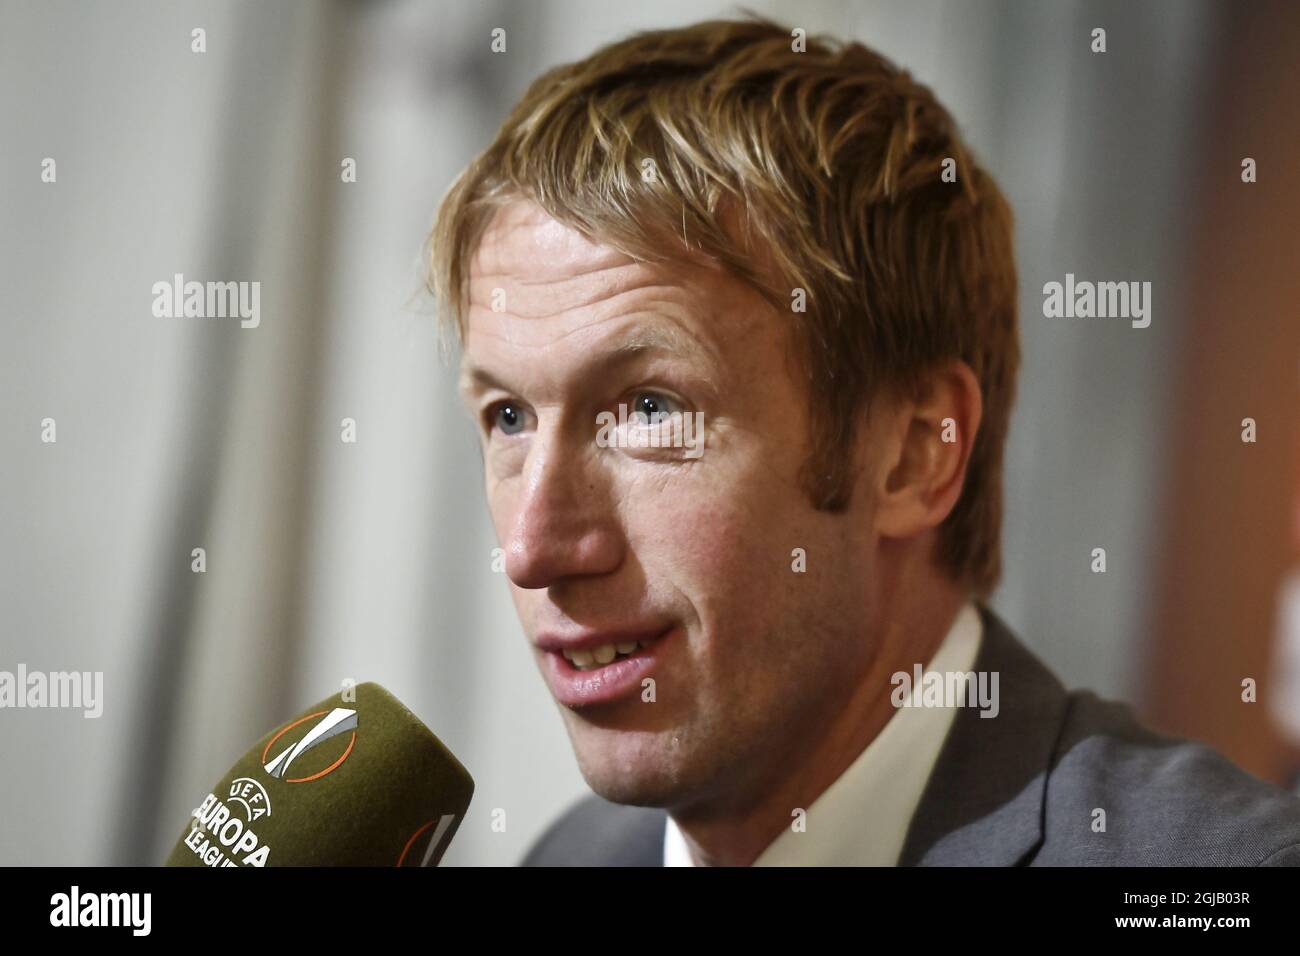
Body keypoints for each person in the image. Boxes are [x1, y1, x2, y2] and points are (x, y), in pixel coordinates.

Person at [427, 15, 1300, 866]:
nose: (533, 548)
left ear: (917, 452)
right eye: (508, 416)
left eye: (651, 410)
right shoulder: (571, 856)